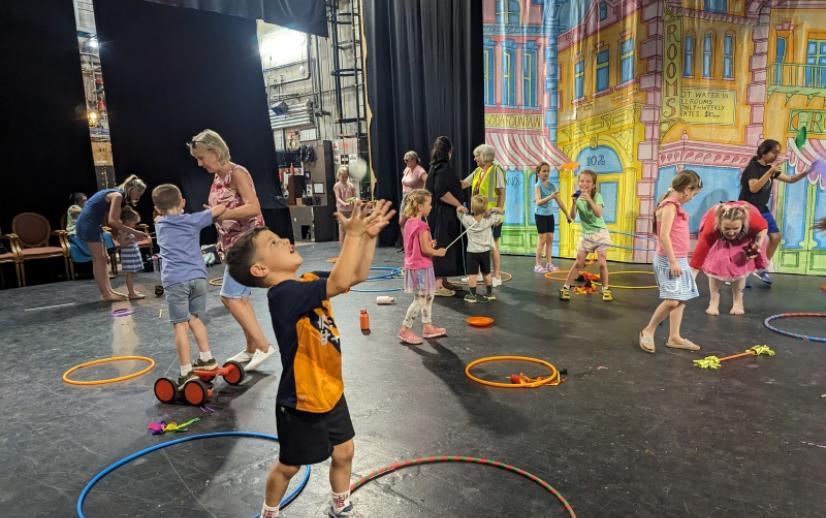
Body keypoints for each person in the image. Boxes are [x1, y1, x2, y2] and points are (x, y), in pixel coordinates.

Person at [224, 200, 395, 518]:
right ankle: (270, 513)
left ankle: (340, 504)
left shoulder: (305, 282)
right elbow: (340, 282)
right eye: (274, 242)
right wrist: (353, 235)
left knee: (345, 450)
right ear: (260, 269)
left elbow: (355, 275)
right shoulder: (283, 296)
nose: (286, 240)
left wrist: (368, 237)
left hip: (329, 388)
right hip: (301, 400)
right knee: (289, 466)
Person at [188, 129, 274, 371]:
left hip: (248, 243)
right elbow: (223, 210)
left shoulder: (237, 173)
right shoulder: (217, 177)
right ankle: (251, 348)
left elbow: (254, 208)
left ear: (215, 152)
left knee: (229, 296)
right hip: (231, 245)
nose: (199, 162)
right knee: (241, 298)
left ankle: (264, 346)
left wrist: (223, 214)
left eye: (201, 157)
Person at [152, 183, 228, 389]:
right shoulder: (193, 220)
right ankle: (207, 357)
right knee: (195, 318)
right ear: (183, 202)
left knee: (180, 326)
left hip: (176, 280)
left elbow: (162, 215)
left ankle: (186, 371)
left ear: (157, 209)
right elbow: (218, 211)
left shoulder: (159, 223)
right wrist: (220, 202)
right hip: (199, 278)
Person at [639, 170, 703, 353]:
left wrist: (680, 260)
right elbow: (664, 236)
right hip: (669, 260)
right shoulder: (669, 206)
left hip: (679, 259)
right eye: (694, 194)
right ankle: (648, 330)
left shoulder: (674, 205)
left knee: (681, 299)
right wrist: (673, 261)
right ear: (687, 190)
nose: (692, 198)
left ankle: (674, 337)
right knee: (672, 301)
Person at [738, 139, 808, 285]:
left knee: (775, 237)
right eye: (774, 152)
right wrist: (770, 171)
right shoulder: (753, 167)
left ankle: (761, 268)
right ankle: (738, 273)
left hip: (762, 209)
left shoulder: (769, 169)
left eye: (778, 153)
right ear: (764, 151)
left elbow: (791, 179)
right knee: (746, 243)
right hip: (748, 209)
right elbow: (754, 188)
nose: (776, 155)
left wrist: (807, 171)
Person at [75, 175, 148, 301]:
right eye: (138, 193)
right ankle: (106, 294)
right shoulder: (117, 196)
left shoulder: (114, 194)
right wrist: (135, 232)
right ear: (132, 189)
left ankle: (109, 291)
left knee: (103, 258)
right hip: (88, 225)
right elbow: (113, 221)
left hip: (93, 224)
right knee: (98, 259)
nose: (138, 197)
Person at [692, 202, 768, 316]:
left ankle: (738, 302)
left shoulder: (753, 220)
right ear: (720, 225)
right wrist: (689, 281)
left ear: (742, 224)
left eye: (735, 228)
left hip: (744, 235)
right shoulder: (711, 227)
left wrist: (757, 244)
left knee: (740, 265)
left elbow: (763, 228)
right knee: (717, 263)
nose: (731, 232)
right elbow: (698, 257)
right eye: (727, 228)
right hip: (718, 234)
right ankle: (713, 302)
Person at [398, 189, 448, 345]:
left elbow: (416, 246)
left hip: (415, 265)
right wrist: (438, 252)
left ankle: (427, 327)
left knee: (428, 296)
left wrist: (428, 244)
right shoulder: (422, 226)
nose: (431, 207)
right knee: (420, 299)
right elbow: (426, 250)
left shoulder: (409, 223)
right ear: (420, 206)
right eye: (429, 204)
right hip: (421, 267)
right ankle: (405, 329)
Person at [559, 170, 613, 302]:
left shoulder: (597, 196)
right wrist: (573, 203)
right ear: (578, 183)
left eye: (588, 181)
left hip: (600, 233)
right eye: (582, 181)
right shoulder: (577, 197)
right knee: (579, 263)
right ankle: (565, 288)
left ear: (593, 185)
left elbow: (598, 213)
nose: (584, 183)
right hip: (586, 235)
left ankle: (605, 289)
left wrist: (589, 199)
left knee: (601, 263)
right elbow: (571, 217)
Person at [425, 136, 465, 296]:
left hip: (438, 213)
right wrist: (459, 205)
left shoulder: (435, 167)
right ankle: (437, 285)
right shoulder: (443, 168)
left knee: (445, 245)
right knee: (443, 245)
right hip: (443, 214)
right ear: (449, 151)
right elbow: (442, 193)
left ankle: (444, 281)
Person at [461, 144, 505, 285]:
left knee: (493, 245)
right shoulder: (477, 171)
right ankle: (478, 274)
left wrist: (498, 212)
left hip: (491, 215)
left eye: (477, 155)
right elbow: (463, 184)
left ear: (485, 156)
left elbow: (501, 193)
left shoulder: (496, 170)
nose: (474, 158)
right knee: (477, 245)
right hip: (478, 215)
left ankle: (497, 276)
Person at [457, 194, 502, 303]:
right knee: (486, 273)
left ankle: (472, 295)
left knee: (473, 274)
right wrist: (491, 210)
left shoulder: (467, 220)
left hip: (472, 253)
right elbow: (501, 213)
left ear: (472, 208)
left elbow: (458, 212)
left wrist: (461, 208)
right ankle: (489, 293)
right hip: (485, 252)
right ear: (484, 209)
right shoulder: (489, 220)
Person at [533, 162, 569, 273]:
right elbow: (538, 202)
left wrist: (567, 214)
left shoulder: (552, 186)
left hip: (549, 215)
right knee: (542, 240)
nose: (546, 173)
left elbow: (559, 201)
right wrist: (551, 196)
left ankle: (549, 264)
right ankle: (538, 265)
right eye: (543, 171)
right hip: (540, 215)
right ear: (538, 173)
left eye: (548, 171)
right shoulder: (537, 186)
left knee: (550, 240)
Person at [117, 206, 146, 299]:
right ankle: (131, 294)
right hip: (128, 256)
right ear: (128, 221)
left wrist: (136, 238)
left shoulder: (128, 230)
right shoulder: (123, 231)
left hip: (132, 255)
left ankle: (131, 290)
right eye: (134, 223)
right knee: (130, 274)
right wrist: (131, 239)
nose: (134, 225)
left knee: (132, 274)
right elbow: (122, 244)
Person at [333, 165, 357, 244]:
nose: (344, 179)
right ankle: (342, 246)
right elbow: (338, 198)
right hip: (342, 210)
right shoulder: (337, 186)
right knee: (342, 228)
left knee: (350, 228)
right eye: (342, 177)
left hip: (350, 210)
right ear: (339, 176)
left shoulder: (351, 186)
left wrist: (354, 206)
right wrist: (344, 204)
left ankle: (350, 245)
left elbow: (354, 197)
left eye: (346, 177)